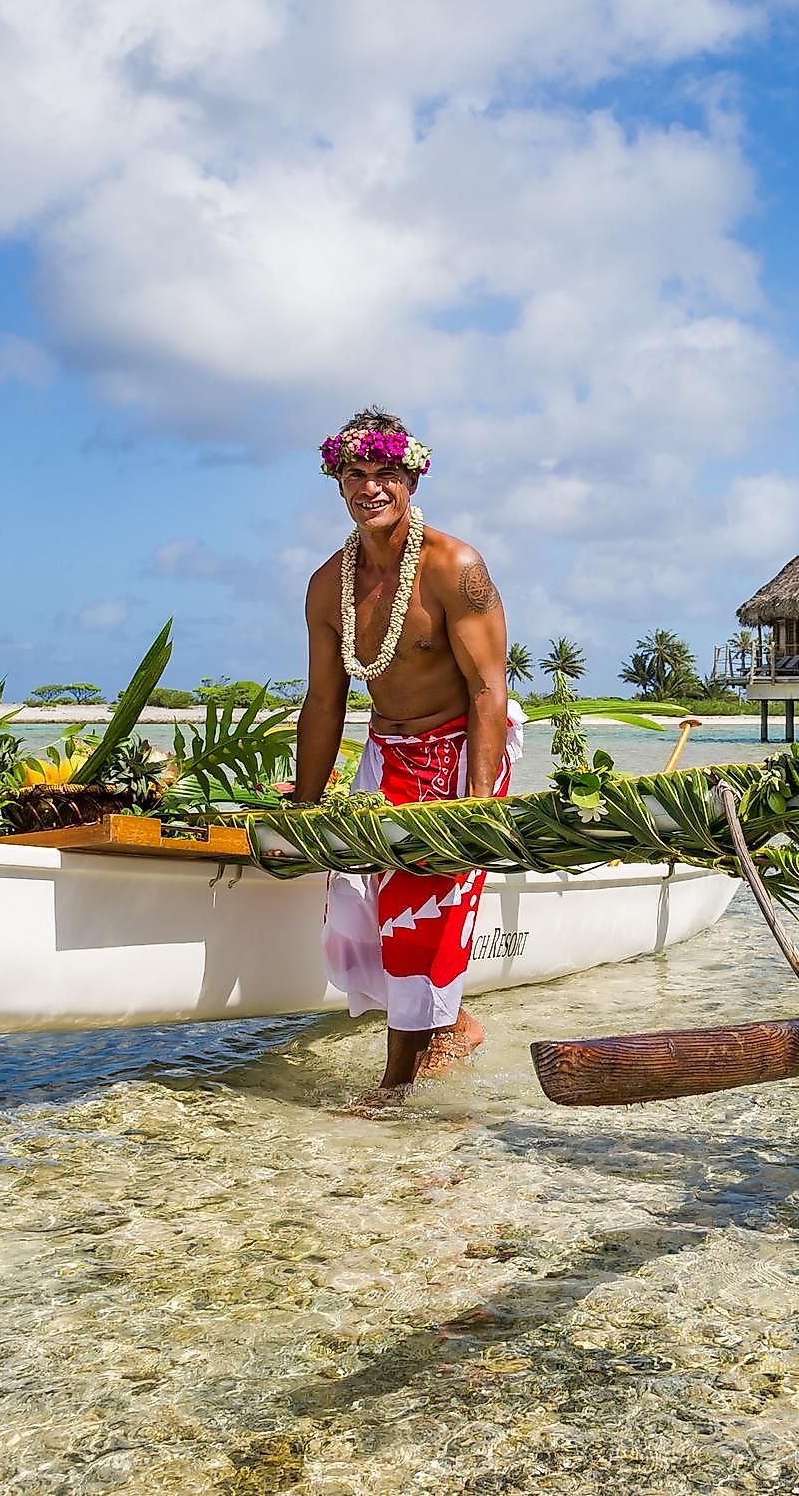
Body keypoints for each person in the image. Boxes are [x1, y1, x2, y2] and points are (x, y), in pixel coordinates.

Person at [290, 407, 519, 1107]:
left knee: (420, 912)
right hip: (388, 752)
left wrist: (475, 807)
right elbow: (325, 701)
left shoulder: (456, 567)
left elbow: (487, 687)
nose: (370, 487)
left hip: (463, 747)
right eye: (355, 474)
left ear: (410, 476)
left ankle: (394, 1085)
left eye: (384, 473)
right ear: (338, 483)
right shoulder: (329, 584)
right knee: (361, 906)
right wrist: (303, 806)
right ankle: (458, 1024)